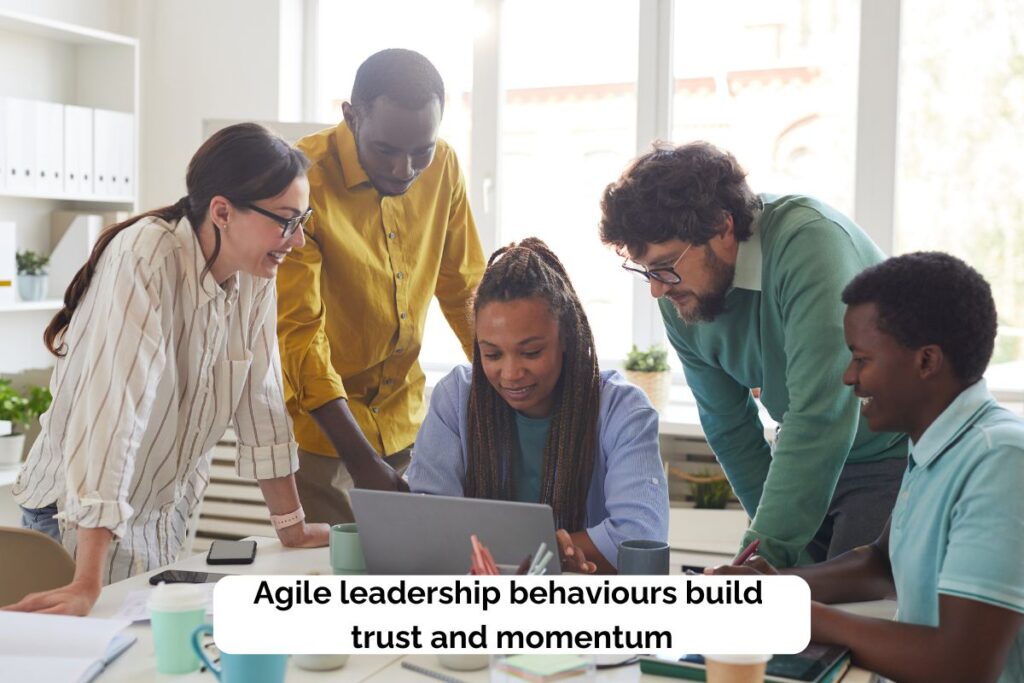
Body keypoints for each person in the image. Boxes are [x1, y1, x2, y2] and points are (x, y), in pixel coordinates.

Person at [6, 123, 329, 616]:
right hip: (76, 522)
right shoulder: (146, 257)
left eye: (302, 220)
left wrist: (292, 527)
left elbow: (261, 400)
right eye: (286, 221)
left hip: (158, 520)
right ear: (222, 212)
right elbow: (112, 412)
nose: (299, 239)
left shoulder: (254, 272)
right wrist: (86, 581)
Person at [712, 252, 1023, 683]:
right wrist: (777, 586)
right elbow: (881, 565)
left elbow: (963, 664)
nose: (848, 376)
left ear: (926, 361)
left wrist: (798, 614)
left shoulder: (1000, 459)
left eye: (862, 359)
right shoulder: (939, 443)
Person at [599, 141, 907, 568]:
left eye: (666, 265)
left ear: (723, 227)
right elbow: (729, 428)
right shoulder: (680, 295)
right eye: (647, 270)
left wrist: (764, 556)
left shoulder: (810, 244)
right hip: (802, 458)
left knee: (847, 603)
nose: (656, 289)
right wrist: (764, 558)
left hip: (887, 454)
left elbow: (819, 415)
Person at [276, 48, 485, 524]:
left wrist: (507, 388)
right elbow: (300, 335)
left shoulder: (444, 166)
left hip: (409, 424)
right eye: (386, 150)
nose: (403, 169)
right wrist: (361, 460)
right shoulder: (302, 180)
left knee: (420, 564)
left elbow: (465, 291)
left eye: (420, 151)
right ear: (351, 117)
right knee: (332, 569)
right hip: (326, 437)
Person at [406, 238, 669, 574]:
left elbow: (640, 539)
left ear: (567, 338)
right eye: (492, 354)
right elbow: (427, 524)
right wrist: (551, 551)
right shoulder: (456, 399)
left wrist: (540, 554)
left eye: (531, 352)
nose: (511, 373)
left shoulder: (623, 411)